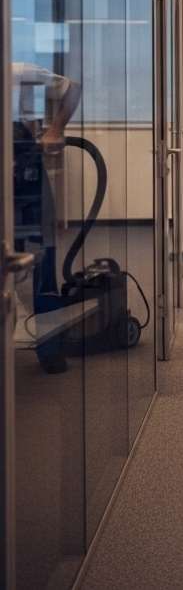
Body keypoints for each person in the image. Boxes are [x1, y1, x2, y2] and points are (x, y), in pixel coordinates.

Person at [12, 63, 81, 374]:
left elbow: (73, 87)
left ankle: (50, 349)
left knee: (43, 262)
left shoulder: (20, 71)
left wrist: (55, 130)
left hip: (27, 176)